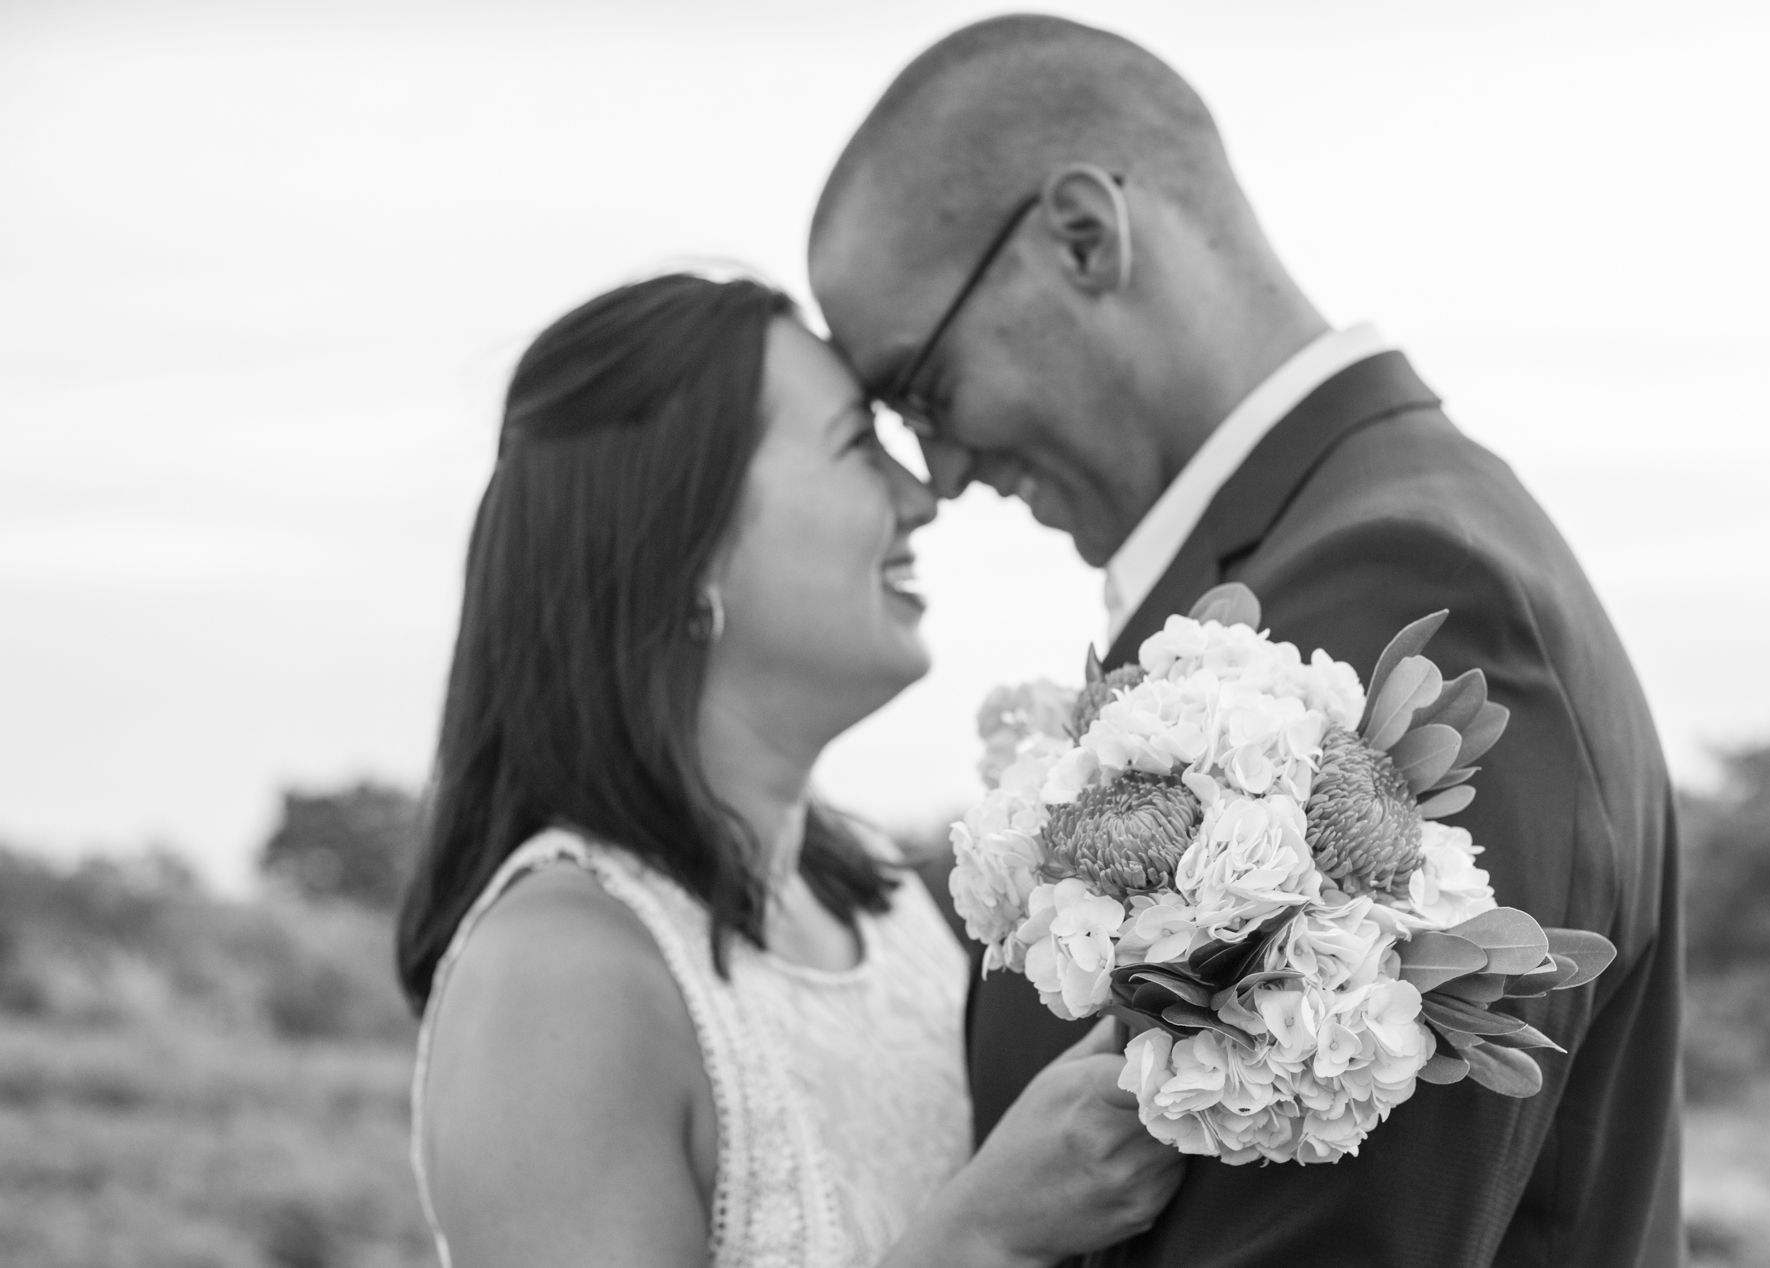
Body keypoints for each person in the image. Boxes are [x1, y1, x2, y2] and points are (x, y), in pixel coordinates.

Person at [810, 15, 1684, 1268]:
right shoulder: (1352, 544)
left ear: (1082, 237)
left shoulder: (1387, 593)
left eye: (922, 391)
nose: (938, 474)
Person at [396, 274, 1184, 1268]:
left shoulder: (882, 899)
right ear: (687, 549)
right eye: (859, 445)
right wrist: (986, 1232)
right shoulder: (556, 975)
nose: (919, 495)